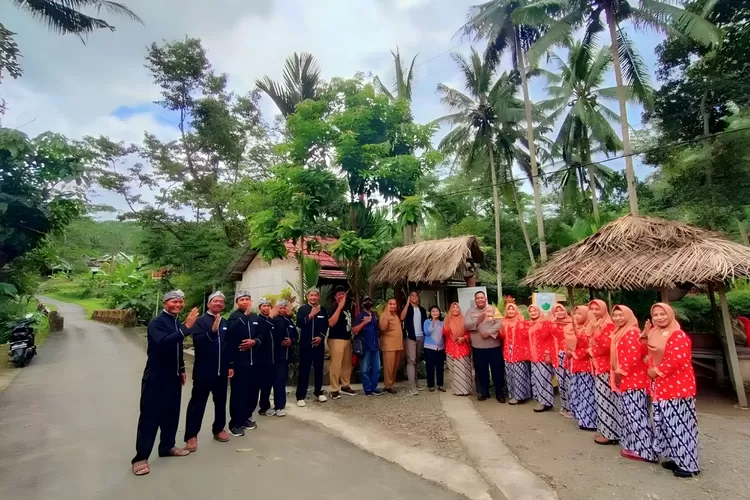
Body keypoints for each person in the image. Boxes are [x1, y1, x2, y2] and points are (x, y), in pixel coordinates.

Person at [132, 290, 199, 476]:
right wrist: (186, 327)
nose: (178, 305)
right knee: (150, 416)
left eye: (180, 302)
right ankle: (140, 457)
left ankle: (167, 447)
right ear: (165, 303)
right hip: (156, 376)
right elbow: (163, 343)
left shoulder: (175, 321)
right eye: (174, 302)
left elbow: (177, 349)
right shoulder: (157, 322)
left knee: (171, 414)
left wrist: (182, 369)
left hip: (174, 376)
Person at [646, 303, 699, 478]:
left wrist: (656, 371)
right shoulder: (655, 333)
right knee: (668, 425)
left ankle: (689, 465)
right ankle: (676, 458)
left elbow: (677, 360)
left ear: (671, 315)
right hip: (661, 387)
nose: (659, 317)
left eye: (663, 314)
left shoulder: (678, 335)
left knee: (681, 426)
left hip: (678, 388)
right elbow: (651, 355)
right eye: (656, 315)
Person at [183, 291, 230, 453]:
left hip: (222, 371)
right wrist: (213, 330)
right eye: (215, 301)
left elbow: (227, 345)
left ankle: (218, 429)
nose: (218, 304)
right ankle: (191, 435)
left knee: (221, 401)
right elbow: (200, 342)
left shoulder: (225, 321)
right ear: (209, 303)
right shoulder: (200, 321)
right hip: (204, 370)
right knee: (197, 403)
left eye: (221, 302)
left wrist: (230, 365)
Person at [610, 304, 657, 463]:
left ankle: (645, 451)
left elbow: (633, 356)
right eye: (615, 315)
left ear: (629, 315)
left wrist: (620, 373)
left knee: (637, 415)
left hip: (634, 381)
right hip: (628, 380)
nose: (617, 318)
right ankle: (636, 446)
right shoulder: (620, 332)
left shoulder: (631, 332)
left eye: (620, 315)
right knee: (631, 414)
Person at [225, 291, 262, 437]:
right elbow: (230, 335)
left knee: (253, 392)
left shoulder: (255, 317)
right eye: (242, 299)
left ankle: (246, 417)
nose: (245, 301)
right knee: (238, 394)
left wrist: (255, 341)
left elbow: (261, 334)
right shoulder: (233, 317)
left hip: (255, 363)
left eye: (247, 299)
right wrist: (244, 316)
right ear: (237, 302)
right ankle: (235, 423)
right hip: (240, 363)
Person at [587, 299, 620, 445]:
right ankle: (606, 429)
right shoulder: (596, 324)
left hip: (606, 367)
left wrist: (591, 351)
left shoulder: (609, 325)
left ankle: (610, 434)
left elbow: (606, 346)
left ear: (604, 309)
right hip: (598, 366)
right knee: (601, 399)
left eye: (597, 309)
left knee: (606, 400)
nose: (594, 312)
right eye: (592, 309)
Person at [464, 291, 505, 403]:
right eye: (478, 298)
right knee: (481, 371)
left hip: (494, 346)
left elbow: (500, 322)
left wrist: (488, 332)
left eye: (482, 297)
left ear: (485, 298)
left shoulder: (492, 309)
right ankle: (483, 392)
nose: (480, 300)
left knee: (497, 370)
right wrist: (478, 321)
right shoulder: (470, 311)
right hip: (478, 347)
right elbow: (467, 325)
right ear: (475, 300)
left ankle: (499, 392)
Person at [295, 288, 328, 406]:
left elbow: (325, 326)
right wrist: (311, 315)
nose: (313, 297)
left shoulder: (323, 310)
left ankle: (318, 392)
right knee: (304, 370)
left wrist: (321, 337)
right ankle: (300, 396)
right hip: (306, 345)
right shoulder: (302, 309)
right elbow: (299, 323)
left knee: (319, 369)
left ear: (318, 297)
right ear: (307, 297)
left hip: (318, 345)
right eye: (311, 295)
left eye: (315, 295)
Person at [567, 305, 597, 431]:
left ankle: (589, 421)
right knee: (578, 392)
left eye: (580, 314)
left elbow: (588, 347)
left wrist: (573, 354)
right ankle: (581, 417)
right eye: (575, 314)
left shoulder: (590, 329)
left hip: (586, 366)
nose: (577, 316)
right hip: (576, 365)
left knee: (587, 394)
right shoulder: (573, 328)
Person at [327, 285, 356, 399]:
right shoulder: (333, 307)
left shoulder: (348, 306)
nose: (341, 296)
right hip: (336, 338)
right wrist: (339, 307)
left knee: (347, 364)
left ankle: (345, 385)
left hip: (347, 338)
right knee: (336, 364)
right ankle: (334, 388)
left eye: (343, 293)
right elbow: (331, 323)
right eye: (339, 294)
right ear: (335, 296)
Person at [501, 303, 532, 405]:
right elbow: (501, 336)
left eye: (512, 309)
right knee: (511, 374)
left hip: (519, 351)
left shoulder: (522, 321)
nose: (510, 311)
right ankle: (514, 395)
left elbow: (528, 335)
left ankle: (520, 396)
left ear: (516, 310)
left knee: (520, 374)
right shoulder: (503, 322)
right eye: (509, 309)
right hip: (508, 350)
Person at [270, 300, 297, 416]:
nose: (282, 310)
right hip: (275, 355)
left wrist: (291, 341)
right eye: (279, 308)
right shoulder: (273, 321)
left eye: (284, 307)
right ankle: (276, 406)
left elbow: (295, 334)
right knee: (276, 381)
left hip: (286, 356)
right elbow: (270, 335)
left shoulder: (289, 321)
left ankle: (281, 405)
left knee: (282, 381)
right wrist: (280, 342)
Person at [528, 304, 556, 412]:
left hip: (543, 355)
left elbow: (550, 338)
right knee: (537, 378)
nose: (533, 313)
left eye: (535, 311)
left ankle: (545, 402)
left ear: (539, 312)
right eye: (531, 311)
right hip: (534, 356)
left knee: (544, 379)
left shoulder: (545, 322)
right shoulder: (531, 324)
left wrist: (548, 352)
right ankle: (542, 400)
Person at [353, 296, 382, 396]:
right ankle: (367, 389)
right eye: (366, 301)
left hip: (375, 346)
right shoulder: (360, 316)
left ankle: (374, 387)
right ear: (362, 304)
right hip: (365, 346)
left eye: (370, 300)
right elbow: (355, 330)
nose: (368, 302)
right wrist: (364, 322)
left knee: (377, 369)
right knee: (365, 369)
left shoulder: (375, 315)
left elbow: (378, 330)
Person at [443, 302, 473, 396]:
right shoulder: (447, 320)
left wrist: (464, 338)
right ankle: (457, 390)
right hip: (450, 347)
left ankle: (465, 390)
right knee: (453, 370)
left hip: (462, 347)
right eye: (453, 308)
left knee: (463, 369)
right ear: (450, 309)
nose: (455, 309)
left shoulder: (464, 320)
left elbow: (469, 333)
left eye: (457, 308)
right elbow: (444, 333)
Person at [401, 290, 427, 395]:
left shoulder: (422, 310)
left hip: (421, 337)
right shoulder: (408, 309)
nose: (414, 297)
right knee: (411, 360)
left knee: (416, 360)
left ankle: (416, 383)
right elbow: (401, 317)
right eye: (412, 295)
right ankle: (411, 386)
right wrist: (407, 304)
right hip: (411, 337)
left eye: (416, 295)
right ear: (409, 297)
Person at [256, 298, 279, 417]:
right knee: (259, 383)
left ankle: (265, 406)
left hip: (272, 357)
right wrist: (270, 319)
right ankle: (258, 407)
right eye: (263, 306)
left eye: (268, 306)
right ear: (259, 308)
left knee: (268, 383)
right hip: (261, 358)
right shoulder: (257, 320)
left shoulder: (274, 320)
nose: (266, 308)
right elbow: (262, 334)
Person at [552, 304, 573, 418]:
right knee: (562, 381)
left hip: (570, 355)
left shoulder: (571, 322)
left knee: (571, 381)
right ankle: (565, 407)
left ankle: (574, 407)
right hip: (557, 355)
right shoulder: (552, 324)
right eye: (557, 311)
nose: (559, 312)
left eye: (561, 310)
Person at [379, 298, 404, 394]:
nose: (393, 306)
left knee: (394, 367)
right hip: (389, 345)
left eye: (394, 304)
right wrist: (386, 314)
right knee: (389, 367)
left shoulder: (396, 315)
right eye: (391, 304)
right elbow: (383, 328)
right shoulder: (385, 315)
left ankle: (391, 384)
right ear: (387, 305)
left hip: (397, 345)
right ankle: (388, 385)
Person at [423, 305, 446, 392]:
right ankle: (431, 385)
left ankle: (440, 384)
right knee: (430, 366)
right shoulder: (427, 322)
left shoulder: (442, 323)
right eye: (433, 311)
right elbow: (427, 333)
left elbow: (444, 334)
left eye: (436, 311)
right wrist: (433, 322)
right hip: (429, 347)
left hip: (440, 347)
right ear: (430, 313)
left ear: (439, 313)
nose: (435, 313)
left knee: (440, 366)